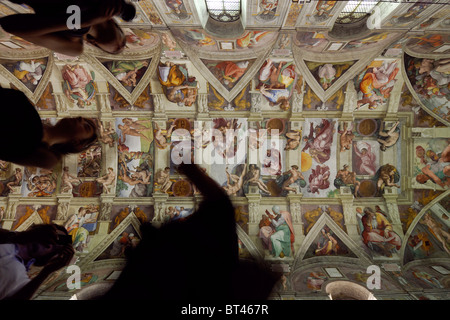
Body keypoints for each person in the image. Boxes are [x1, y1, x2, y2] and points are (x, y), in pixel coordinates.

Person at [100, 163, 280, 300]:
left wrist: (191, 171)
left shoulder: (220, 253)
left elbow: (220, 203)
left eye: (254, 271)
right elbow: (220, 204)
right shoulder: (212, 275)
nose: (250, 264)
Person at [0, 88, 98, 169]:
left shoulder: (40, 148)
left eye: (86, 127)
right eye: (83, 119)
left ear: (77, 142)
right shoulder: (35, 122)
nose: (80, 118)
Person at [0, 0, 135, 56]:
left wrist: (84, 21)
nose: (122, 47)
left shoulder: (74, 44)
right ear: (113, 22)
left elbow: (9, 24)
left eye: (115, 50)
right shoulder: (106, 4)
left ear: (94, 43)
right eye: (124, 43)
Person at [0, 223, 74, 300]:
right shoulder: (5, 240)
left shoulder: (19, 276)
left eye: (55, 247)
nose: (50, 243)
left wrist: (45, 272)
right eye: (51, 236)